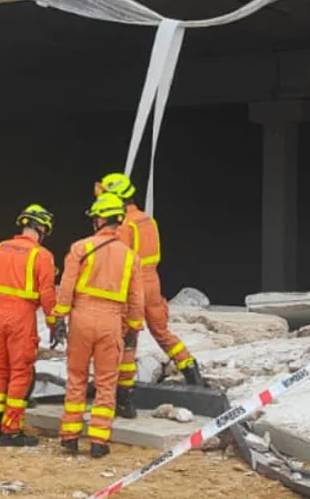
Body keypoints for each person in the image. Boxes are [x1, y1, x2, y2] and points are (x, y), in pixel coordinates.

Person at [96, 172, 205, 417]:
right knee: (162, 332)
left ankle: (123, 395)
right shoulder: (147, 220)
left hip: (132, 286)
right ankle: (191, 371)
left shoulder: (123, 226)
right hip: (152, 282)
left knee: (128, 338)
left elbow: (118, 258)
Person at [54, 193, 144, 459]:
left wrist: (60, 316)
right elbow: (136, 298)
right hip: (111, 321)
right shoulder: (130, 257)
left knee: (76, 377)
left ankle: (70, 436)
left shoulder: (80, 248)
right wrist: (133, 328)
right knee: (106, 383)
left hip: (81, 317)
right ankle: (98, 441)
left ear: (100, 219)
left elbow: (67, 286)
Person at [0, 204, 58, 447]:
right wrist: (54, 321)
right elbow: (47, 293)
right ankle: (11, 430)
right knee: (20, 372)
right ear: (41, 229)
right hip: (21, 316)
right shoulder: (41, 256)